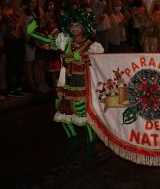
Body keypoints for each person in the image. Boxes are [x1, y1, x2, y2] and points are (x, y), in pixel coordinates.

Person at [26, 8, 104, 164]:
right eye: (72, 25)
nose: (74, 28)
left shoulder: (92, 45)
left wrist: (83, 57)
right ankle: (73, 141)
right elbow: (49, 42)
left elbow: (99, 63)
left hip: (82, 86)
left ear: (85, 26)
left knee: (83, 117)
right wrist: (32, 33)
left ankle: (90, 146)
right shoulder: (66, 40)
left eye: (78, 25)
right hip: (66, 85)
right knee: (63, 115)